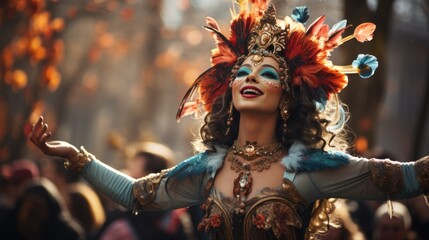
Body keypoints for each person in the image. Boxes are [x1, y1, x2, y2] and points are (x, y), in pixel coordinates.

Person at [28, 1, 429, 239]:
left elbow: (408, 178)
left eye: (268, 73)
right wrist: (73, 156)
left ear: (287, 96)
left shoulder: (310, 171)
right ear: (230, 88)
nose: (251, 76)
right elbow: (135, 195)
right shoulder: (207, 171)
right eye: (244, 71)